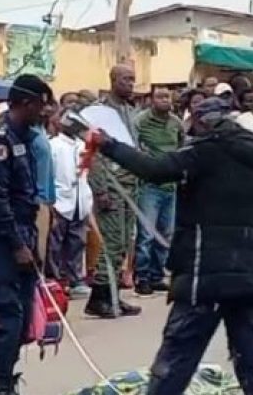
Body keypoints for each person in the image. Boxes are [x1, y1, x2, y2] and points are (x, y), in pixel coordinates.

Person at [86, 97, 253, 395]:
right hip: (249, 275)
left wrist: (108, 145)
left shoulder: (203, 152)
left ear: (201, 122)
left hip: (205, 276)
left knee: (176, 358)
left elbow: (154, 169)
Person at [0, 74, 52, 395]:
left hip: (23, 231)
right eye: (41, 105)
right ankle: (0, 386)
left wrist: (31, 240)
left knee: (22, 319)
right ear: (25, 103)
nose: (44, 112)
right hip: (1, 239)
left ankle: (8, 376)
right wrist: (17, 244)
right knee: (7, 317)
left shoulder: (24, 138)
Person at [84, 64, 142, 319]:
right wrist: (100, 189)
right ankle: (98, 297)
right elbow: (92, 152)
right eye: (125, 79)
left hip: (131, 183)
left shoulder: (131, 111)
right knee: (112, 242)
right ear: (113, 80)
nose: (130, 84)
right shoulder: (100, 112)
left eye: (133, 79)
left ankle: (113, 294)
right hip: (111, 184)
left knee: (123, 243)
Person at [132, 86, 184, 296]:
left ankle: (156, 275)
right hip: (149, 185)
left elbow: (181, 146)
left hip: (170, 185)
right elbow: (135, 146)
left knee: (166, 233)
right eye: (159, 97)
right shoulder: (141, 121)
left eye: (167, 97)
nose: (164, 100)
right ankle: (142, 277)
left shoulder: (176, 122)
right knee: (146, 234)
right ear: (151, 100)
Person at [46, 106, 93, 299]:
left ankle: (75, 280)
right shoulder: (53, 145)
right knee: (55, 244)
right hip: (60, 200)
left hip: (80, 201)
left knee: (77, 242)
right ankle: (56, 279)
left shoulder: (83, 146)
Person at [32, 97, 57, 273]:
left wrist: (51, 201)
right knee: (35, 253)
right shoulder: (28, 133)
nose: (46, 109)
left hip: (45, 201)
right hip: (33, 200)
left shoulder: (42, 131)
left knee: (42, 251)